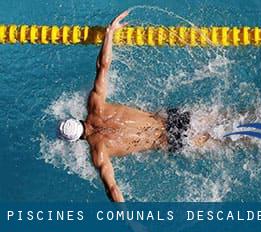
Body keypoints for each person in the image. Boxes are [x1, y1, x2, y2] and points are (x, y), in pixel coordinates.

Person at [58, 11, 210, 202]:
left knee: (228, 140)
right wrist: (109, 33)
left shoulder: (99, 152)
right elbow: (103, 66)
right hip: (172, 118)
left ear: (76, 140)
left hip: (171, 140)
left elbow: (112, 189)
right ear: (76, 119)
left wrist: (132, 223)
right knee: (226, 118)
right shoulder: (95, 105)